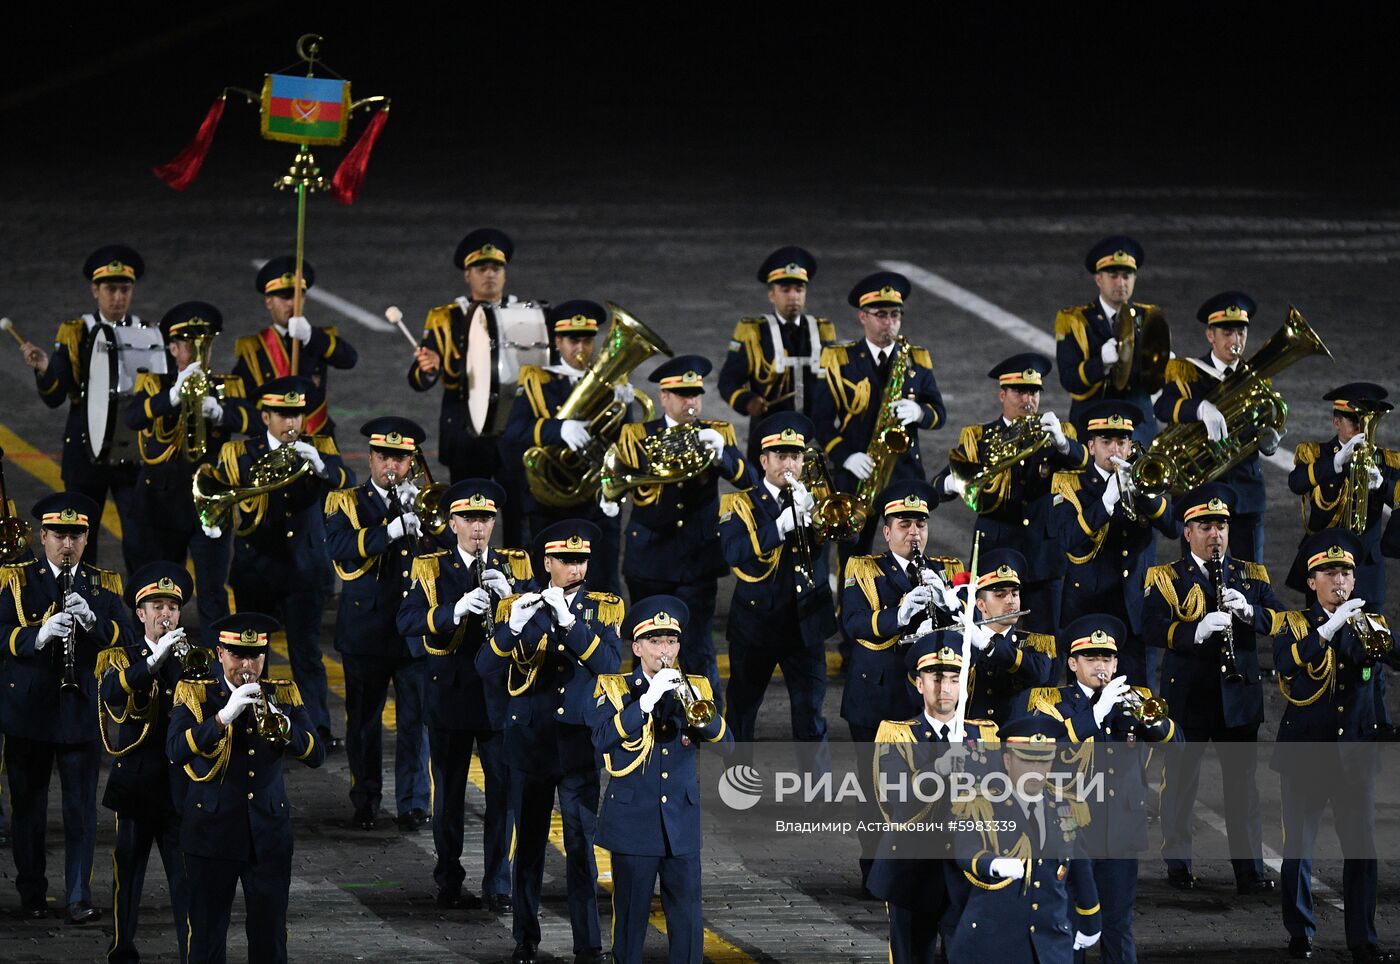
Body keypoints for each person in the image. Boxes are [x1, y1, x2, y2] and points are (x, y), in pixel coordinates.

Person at [481, 519, 623, 964]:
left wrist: (570, 624)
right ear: (548, 562)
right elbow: (485, 667)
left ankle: (588, 944)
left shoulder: (604, 609)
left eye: (581, 560)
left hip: (578, 743)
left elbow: (610, 665)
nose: (576, 568)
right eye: (566, 560)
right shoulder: (519, 606)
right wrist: (510, 628)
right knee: (529, 847)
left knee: (581, 846)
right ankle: (525, 938)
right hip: (530, 743)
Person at [397, 478, 532, 912]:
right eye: (470, 519)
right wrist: (452, 610)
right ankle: (449, 878)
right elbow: (407, 620)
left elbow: (538, 625)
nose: (479, 528)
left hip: (499, 700)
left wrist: (511, 599)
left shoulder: (515, 565)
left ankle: (498, 883)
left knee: (503, 799)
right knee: (449, 797)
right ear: (452, 522)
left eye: (486, 519)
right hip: (451, 696)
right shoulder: (431, 567)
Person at [1144, 482, 1282, 893]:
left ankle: (1249, 870)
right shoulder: (1165, 577)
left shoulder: (1251, 575)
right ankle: (1178, 864)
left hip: (1237, 698)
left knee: (1243, 787)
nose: (1216, 533)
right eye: (1205, 525)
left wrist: (1251, 611)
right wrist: (1194, 631)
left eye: (1221, 525)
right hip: (1188, 695)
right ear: (1187, 532)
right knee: (1181, 783)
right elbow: (1150, 627)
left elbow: (1279, 621)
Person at [1, 492, 132, 924]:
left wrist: (93, 622)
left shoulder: (102, 584)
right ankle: (32, 893)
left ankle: (78, 895)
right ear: (42, 536)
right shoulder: (18, 581)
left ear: (87, 536)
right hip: (29, 713)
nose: (67, 544)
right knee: (28, 811)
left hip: (79, 714)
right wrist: (36, 636)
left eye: (75, 534)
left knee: (80, 811)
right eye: (59, 534)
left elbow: (127, 640)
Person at [1019, 614, 1180, 964]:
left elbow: (1179, 746)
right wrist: (1094, 716)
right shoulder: (1050, 702)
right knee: (1070, 925)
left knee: (1118, 926)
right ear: (1073, 663)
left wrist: (1151, 720)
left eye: (1107, 658)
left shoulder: (1135, 699)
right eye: (1091, 658)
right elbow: (1043, 748)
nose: (1100, 666)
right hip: (1071, 833)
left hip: (1121, 831)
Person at [166, 612, 325, 964]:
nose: (247, 665)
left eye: (255, 656)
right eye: (238, 655)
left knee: (270, 939)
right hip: (211, 834)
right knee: (206, 939)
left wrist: (286, 728)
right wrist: (222, 717)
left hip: (267, 835)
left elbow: (316, 754)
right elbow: (175, 750)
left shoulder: (282, 694)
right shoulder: (196, 693)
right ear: (220, 654)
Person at [206, 375, 352, 749]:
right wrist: (213, 523)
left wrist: (319, 464)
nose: (292, 424)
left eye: (297, 415)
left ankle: (317, 728)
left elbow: (345, 479)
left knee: (307, 653)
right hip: (257, 570)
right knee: (255, 656)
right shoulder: (239, 454)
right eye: (283, 415)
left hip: (305, 569)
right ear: (265, 416)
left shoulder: (318, 446)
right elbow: (216, 501)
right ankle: (257, 723)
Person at [1273, 530, 1397, 963]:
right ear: (1312, 582)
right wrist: (1328, 628)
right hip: (1305, 754)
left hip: (1354, 759)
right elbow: (1287, 664)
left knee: (1362, 851)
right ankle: (1300, 932)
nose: (1339, 579)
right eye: (1328, 572)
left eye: (1345, 571)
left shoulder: (1371, 623)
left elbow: (1386, 669)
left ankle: (1363, 937)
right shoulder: (1293, 625)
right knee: (1298, 851)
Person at [590, 595, 732, 964]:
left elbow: (728, 745)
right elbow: (602, 738)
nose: (664, 650)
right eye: (655, 642)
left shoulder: (696, 687)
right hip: (633, 824)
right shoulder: (615, 688)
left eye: (671, 641)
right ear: (637, 647)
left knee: (686, 921)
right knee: (631, 922)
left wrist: (700, 713)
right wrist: (646, 702)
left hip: (680, 825)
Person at [604, 353, 750, 699]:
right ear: (664, 397)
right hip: (649, 559)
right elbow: (615, 480)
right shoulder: (636, 434)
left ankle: (705, 722)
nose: (691, 401)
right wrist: (608, 496)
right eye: (683, 395)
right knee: (648, 649)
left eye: (696, 394)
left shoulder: (717, 434)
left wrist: (723, 455)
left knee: (697, 648)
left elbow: (750, 481)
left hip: (697, 561)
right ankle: (646, 721)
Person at [324, 417, 432, 832]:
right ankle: (366, 798)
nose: (392, 466)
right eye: (384, 457)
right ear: (369, 458)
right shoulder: (346, 502)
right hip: (366, 632)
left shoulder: (423, 503)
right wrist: (387, 530)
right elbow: (339, 547)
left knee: (414, 724)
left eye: (401, 458)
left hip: (413, 634)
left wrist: (425, 523)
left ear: (412, 462)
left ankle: (413, 802)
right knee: (364, 724)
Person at [866, 633, 1001, 964]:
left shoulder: (984, 734)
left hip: (968, 872)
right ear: (919, 684)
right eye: (936, 678)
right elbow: (895, 800)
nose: (945, 688)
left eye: (954, 679)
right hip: (912, 871)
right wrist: (939, 767)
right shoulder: (897, 734)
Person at [18, 246, 152, 572]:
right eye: (110, 289)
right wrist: (44, 368)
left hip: (130, 452)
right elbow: (55, 396)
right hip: (84, 450)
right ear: (95, 290)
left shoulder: (146, 333)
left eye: (125, 289)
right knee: (78, 543)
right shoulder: (75, 332)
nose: (118, 297)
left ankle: (139, 616)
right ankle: (83, 613)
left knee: (139, 540)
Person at [719, 412, 836, 775]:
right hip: (757, 625)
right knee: (742, 710)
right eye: (781, 456)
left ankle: (817, 792)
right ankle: (737, 788)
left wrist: (814, 516)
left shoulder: (817, 499)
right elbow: (732, 554)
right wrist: (780, 525)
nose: (789, 464)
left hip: (806, 625)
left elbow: (841, 535)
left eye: (796, 457)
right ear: (764, 461)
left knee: (810, 713)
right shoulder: (739, 504)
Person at [936, 352, 1085, 633]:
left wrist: (1064, 444)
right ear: (1001, 394)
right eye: (1020, 392)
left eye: (1034, 392)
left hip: (1043, 552)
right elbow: (940, 485)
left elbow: (1085, 468)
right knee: (991, 636)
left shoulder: (1056, 433)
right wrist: (952, 483)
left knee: (1046, 640)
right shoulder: (979, 436)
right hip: (997, 551)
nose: (1028, 400)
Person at [97, 561, 197, 963]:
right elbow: (112, 692)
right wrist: (153, 663)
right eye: (156, 605)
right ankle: (122, 949)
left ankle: (192, 952)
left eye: (172, 606)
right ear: (140, 614)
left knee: (185, 880)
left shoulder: (192, 659)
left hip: (178, 788)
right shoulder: (123, 656)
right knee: (127, 876)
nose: (165, 614)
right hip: (136, 785)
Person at [811, 270, 947, 564]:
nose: (890, 322)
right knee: (852, 559)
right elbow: (820, 420)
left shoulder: (916, 358)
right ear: (863, 317)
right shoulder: (840, 360)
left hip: (903, 474)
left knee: (911, 554)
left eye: (895, 314)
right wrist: (845, 456)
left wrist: (920, 412)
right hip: (857, 477)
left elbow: (939, 414)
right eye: (881, 314)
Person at [1288, 382, 1400, 739]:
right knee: (1324, 645)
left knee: (1374, 647)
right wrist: (1335, 465)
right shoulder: (1315, 454)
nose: (1362, 428)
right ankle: (1321, 724)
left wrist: (1380, 483)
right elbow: (1295, 483)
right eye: (1354, 419)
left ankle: (1376, 725)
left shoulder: (1386, 460)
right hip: (1323, 573)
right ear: (1337, 421)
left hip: (1365, 571)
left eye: (1367, 420)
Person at [125, 301, 246, 630]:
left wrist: (220, 412)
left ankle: (219, 673)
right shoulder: (154, 384)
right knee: (157, 592)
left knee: (213, 593)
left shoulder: (225, 386)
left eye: (202, 344)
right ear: (172, 346)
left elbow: (254, 420)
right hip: (160, 506)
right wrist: (174, 397)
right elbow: (134, 417)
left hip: (210, 505)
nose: (196, 352)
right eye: (188, 344)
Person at [947, 714, 1102, 964]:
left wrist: (1091, 919)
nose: (1036, 771)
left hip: (1050, 943)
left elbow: (1079, 866)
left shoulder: (1064, 807)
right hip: (994, 943)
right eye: (1027, 761)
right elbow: (966, 850)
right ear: (1007, 760)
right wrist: (993, 864)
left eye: (1043, 762)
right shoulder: (981, 805)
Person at [408, 227, 529, 544]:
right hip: (466, 433)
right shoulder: (445, 317)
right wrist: (427, 369)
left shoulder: (523, 315)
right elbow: (420, 378)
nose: (489, 275)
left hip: (514, 431)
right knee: (469, 518)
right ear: (467, 275)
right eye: (481, 268)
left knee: (521, 517)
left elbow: (542, 372)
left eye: (496, 268)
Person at [502, 298, 628, 592]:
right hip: (550, 503)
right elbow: (514, 433)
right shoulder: (538, 380)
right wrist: (557, 429)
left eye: (587, 340)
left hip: (596, 499)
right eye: (573, 340)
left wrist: (625, 411)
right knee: (550, 582)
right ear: (557, 341)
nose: (581, 348)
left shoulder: (611, 383)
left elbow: (622, 444)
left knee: (600, 579)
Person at [1051, 401, 1178, 685]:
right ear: (1091, 446)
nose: (1115, 449)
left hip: (1134, 610)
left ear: (1131, 446)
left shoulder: (1144, 481)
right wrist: (1105, 502)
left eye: (1122, 441)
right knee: (1086, 698)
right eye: (1106, 441)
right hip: (1087, 610)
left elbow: (1174, 527)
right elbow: (1067, 539)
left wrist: (1144, 494)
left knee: (1137, 696)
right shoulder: (1070, 484)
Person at [1156, 292, 1271, 561]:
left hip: (1246, 492)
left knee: (1252, 575)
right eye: (1227, 332)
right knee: (1198, 575)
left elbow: (1263, 423)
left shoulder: (1255, 380)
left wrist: (1268, 439)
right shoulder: (1188, 372)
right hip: (1201, 494)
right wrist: (1198, 408)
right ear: (1211, 335)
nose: (1235, 340)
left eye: (1241, 332)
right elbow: (1162, 406)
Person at [718, 246, 836, 463]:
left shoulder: (822, 330)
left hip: (814, 436)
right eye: (785, 289)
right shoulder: (753, 332)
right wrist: (747, 400)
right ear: (771, 294)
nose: (793, 296)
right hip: (768, 436)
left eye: (799, 289)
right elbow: (728, 380)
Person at [232, 256, 358, 438]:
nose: (292, 303)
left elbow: (349, 359)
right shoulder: (254, 349)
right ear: (269, 302)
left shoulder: (316, 339)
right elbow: (242, 401)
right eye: (285, 297)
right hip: (274, 443)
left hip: (316, 438)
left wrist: (310, 335)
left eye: (298, 296)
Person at [1053, 236, 1160, 445]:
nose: (1121, 283)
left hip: (1138, 427)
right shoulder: (1074, 320)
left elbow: (1155, 384)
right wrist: (1099, 365)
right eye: (1113, 275)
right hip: (1092, 427)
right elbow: (1069, 379)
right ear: (1098, 279)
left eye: (1127, 275)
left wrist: (1162, 367)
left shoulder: (1150, 317)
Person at [962, 548, 1058, 724]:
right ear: (981, 605)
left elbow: (1040, 674)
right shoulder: (962, 642)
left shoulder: (1035, 644)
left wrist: (989, 646)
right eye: (1000, 595)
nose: (1010, 601)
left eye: (1015, 594)